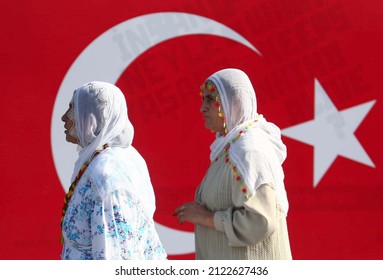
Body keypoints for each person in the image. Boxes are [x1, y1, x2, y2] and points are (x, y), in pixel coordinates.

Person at [174, 68, 292, 259]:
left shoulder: (249, 150)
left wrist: (206, 218)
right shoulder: (231, 147)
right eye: (203, 99)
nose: (202, 107)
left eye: (210, 100)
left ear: (234, 102)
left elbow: (260, 222)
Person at [60, 81, 167, 260]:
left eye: (73, 109)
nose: (64, 118)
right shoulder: (104, 159)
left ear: (92, 118)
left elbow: (115, 253)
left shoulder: (106, 176)